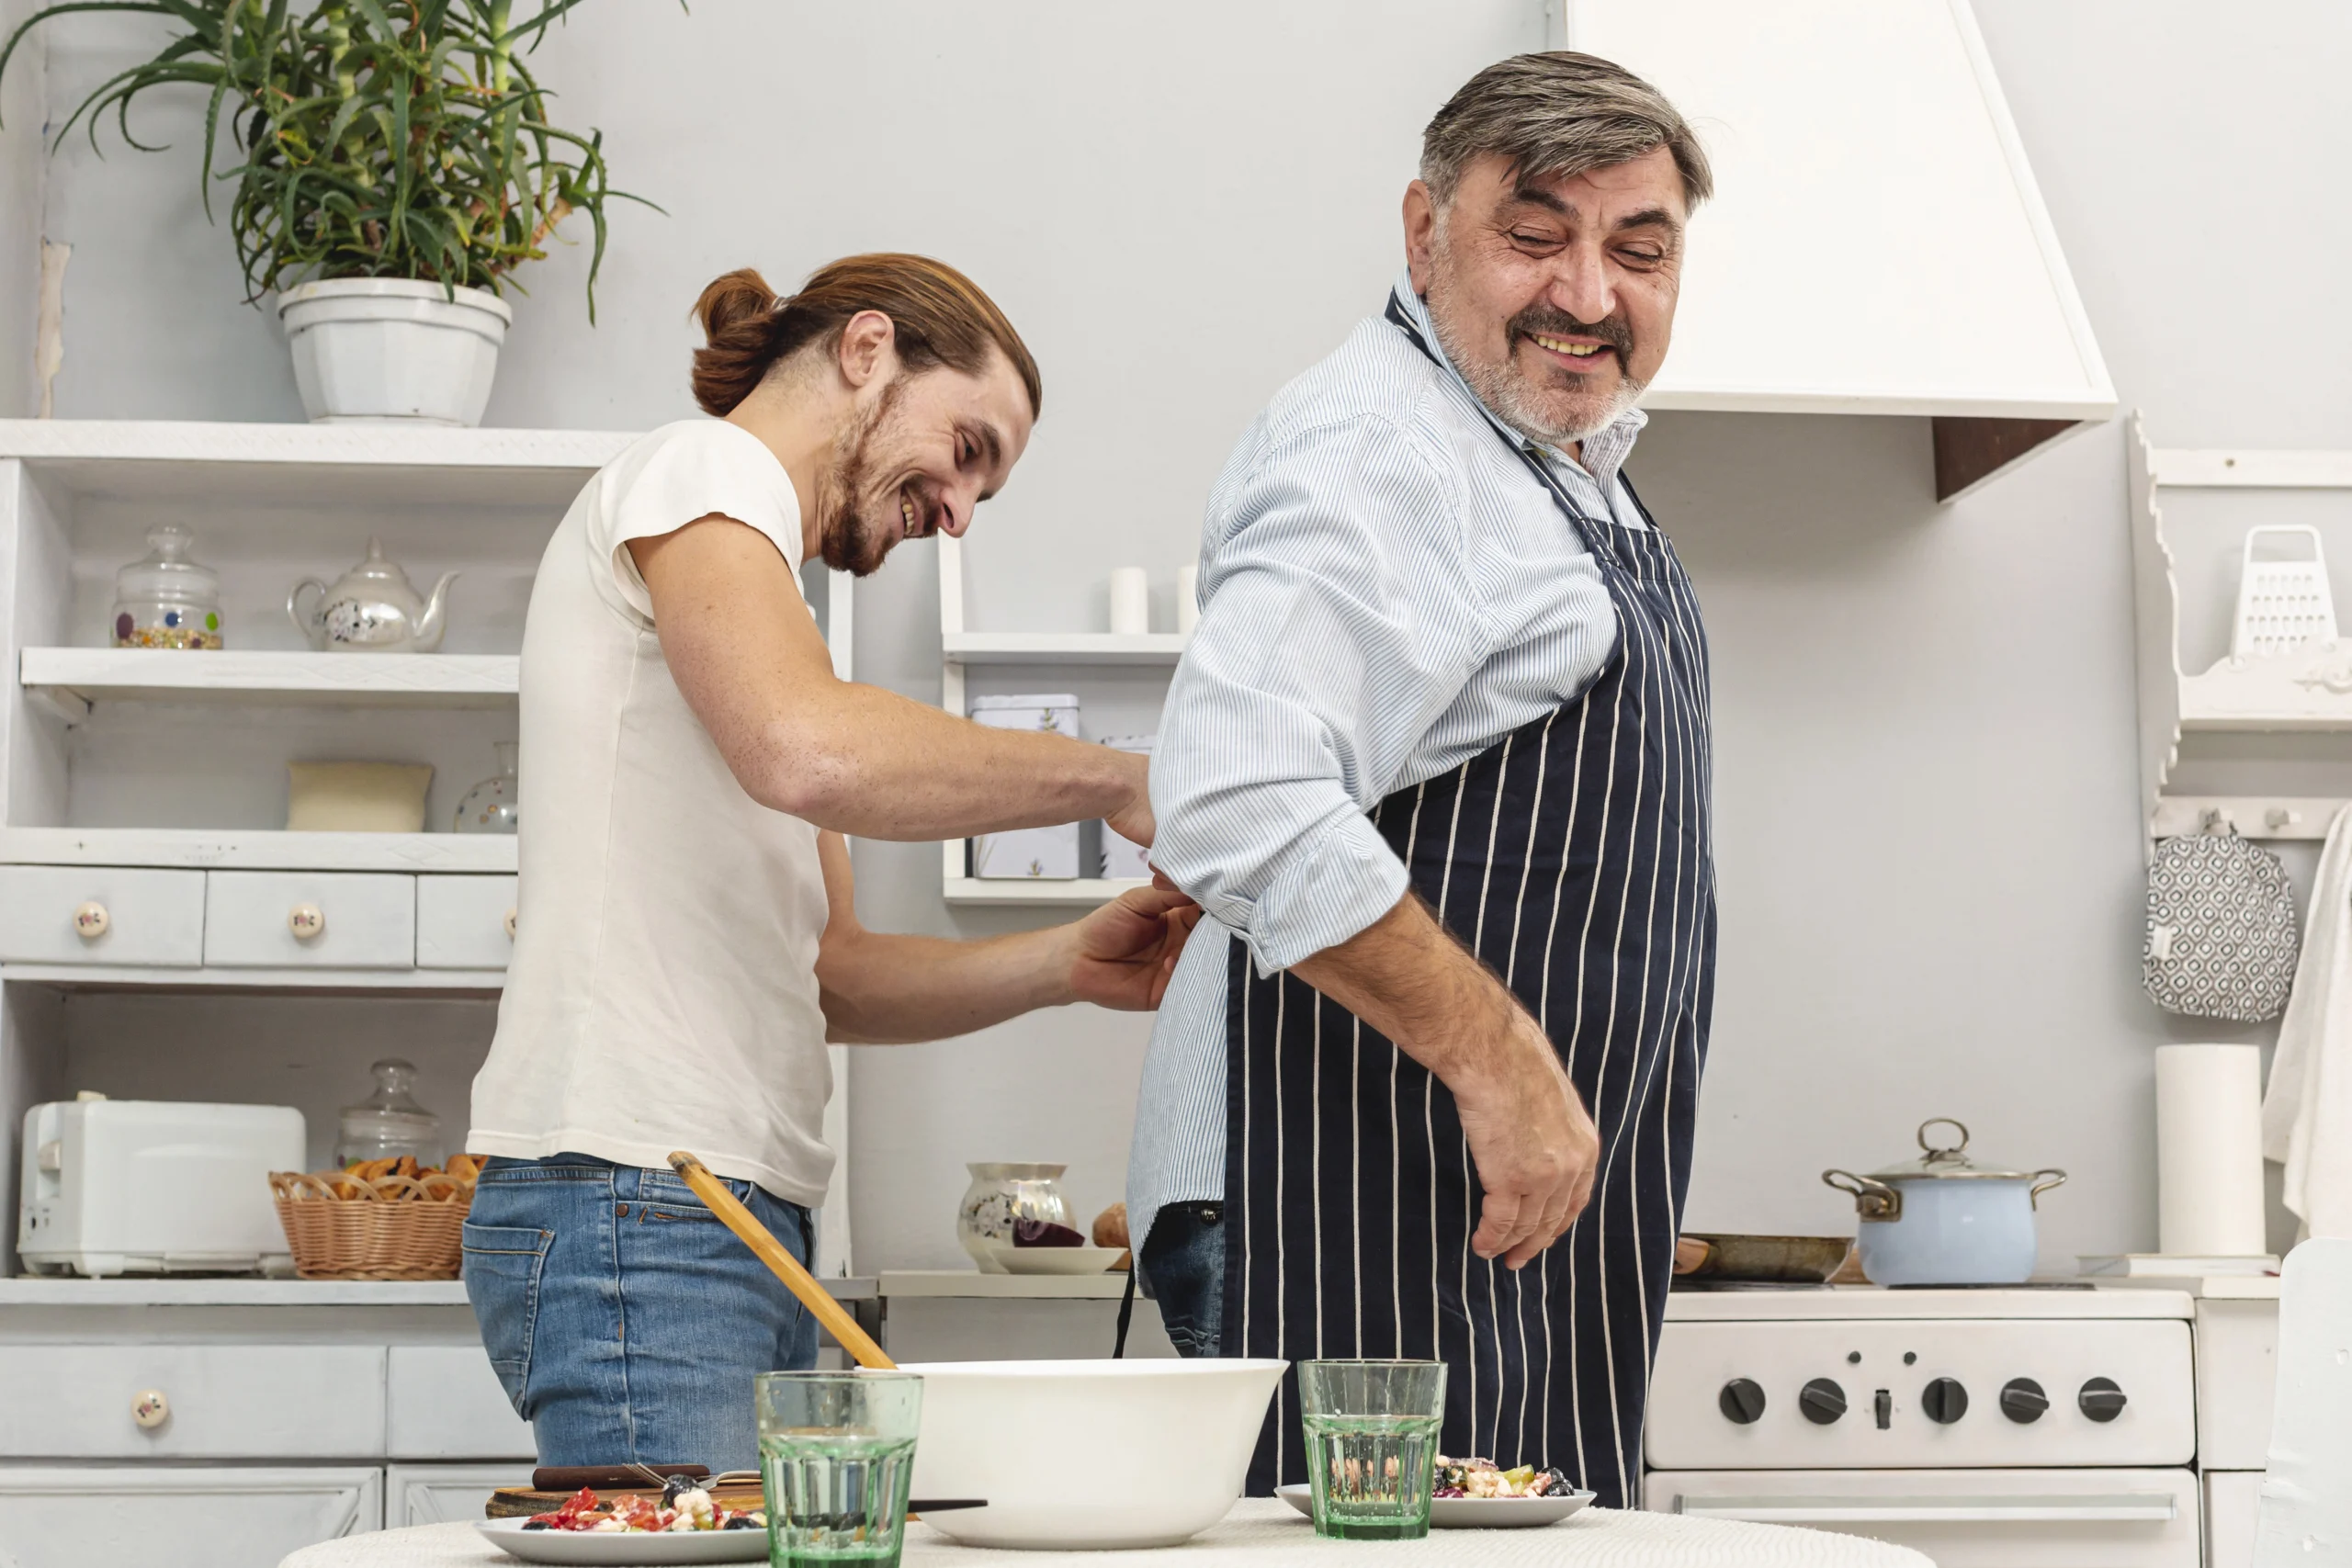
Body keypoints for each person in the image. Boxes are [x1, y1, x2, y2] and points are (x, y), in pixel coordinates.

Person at [463, 254, 1199, 1472]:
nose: (959, 510)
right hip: (641, 1193)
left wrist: (1073, 960)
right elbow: (802, 749)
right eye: (967, 449)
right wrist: (1118, 777)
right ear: (867, 351)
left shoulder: (777, 626)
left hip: (722, 1206)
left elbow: (835, 976)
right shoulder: (696, 471)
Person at [1126, 53, 1715, 1504]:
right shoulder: (1380, 451)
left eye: (1636, 250)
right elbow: (1238, 791)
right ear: (1423, 231)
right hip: (1351, 1205)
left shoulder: (1554, 459)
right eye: (1535, 236)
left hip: (1499, 1221)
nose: (1588, 294)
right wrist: (1504, 1062)